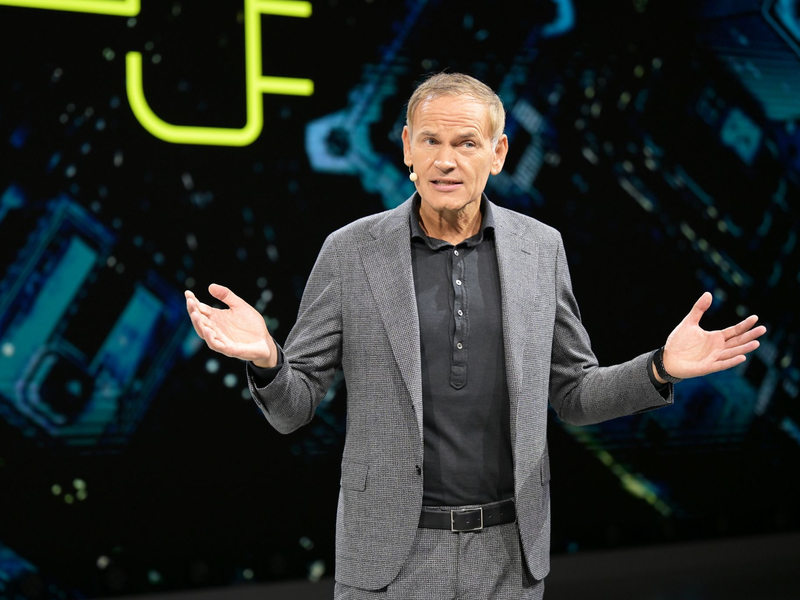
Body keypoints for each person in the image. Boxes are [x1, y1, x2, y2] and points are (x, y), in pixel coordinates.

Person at [185, 73, 765, 599]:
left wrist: (659, 368)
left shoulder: (541, 249)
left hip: (508, 558)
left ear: (498, 152)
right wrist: (267, 359)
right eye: (431, 142)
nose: (446, 160)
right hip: (391, 559)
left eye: (466, 143)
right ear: (407, 148)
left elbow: (574, 395)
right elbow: (294, 408)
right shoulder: (351, 252)